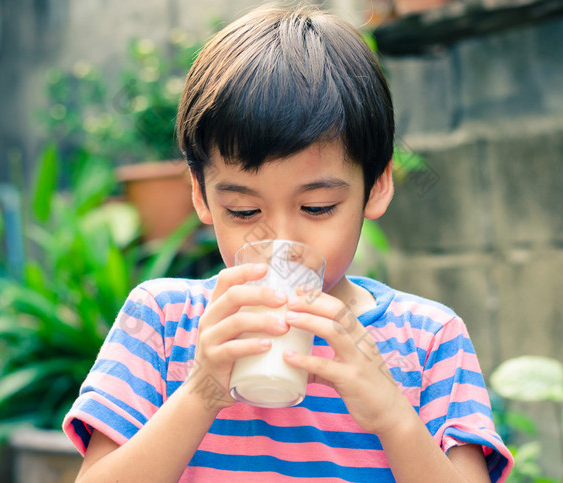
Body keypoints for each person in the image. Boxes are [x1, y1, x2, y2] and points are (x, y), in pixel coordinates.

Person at [63, 3, 513, 481]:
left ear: (377, 185)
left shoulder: (426, 339)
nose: (281, 240)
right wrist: (202, 390)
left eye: (317, 208)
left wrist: (392, 417)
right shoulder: (164, 321)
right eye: (244, 211)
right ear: (200, 195)